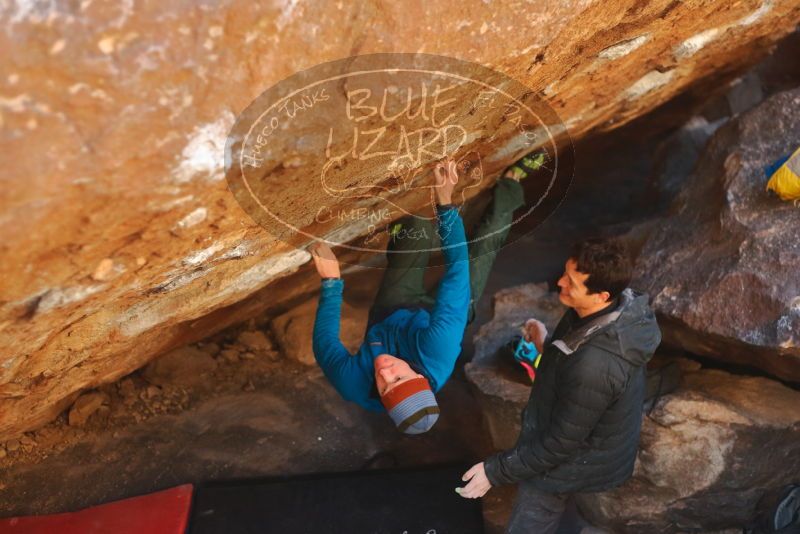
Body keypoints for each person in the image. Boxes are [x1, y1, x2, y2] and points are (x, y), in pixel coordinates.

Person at [310, 153, 533, 434]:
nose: (385, 373)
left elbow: (324, 344)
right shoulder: (438, 349)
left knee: (416, 228)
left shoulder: (354, 385)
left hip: (391, 315)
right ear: (418, 375)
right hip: (445, 317)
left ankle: (406, 234)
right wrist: (445, 204)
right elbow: (457, 271)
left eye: (385, 387)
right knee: (485, 245)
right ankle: (512, 184)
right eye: (400, 377)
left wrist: (331, 282)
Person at [457, 238, 662, 533]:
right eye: (566, 273)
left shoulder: (596, 365)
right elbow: (577, 352)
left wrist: (494, 472)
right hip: (596, 436)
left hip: (581, 456)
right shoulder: (615, 309)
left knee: (536, 503)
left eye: (572, 282)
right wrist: (547, 345)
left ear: (601, 295)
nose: (560, 282)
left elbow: (559, 444)